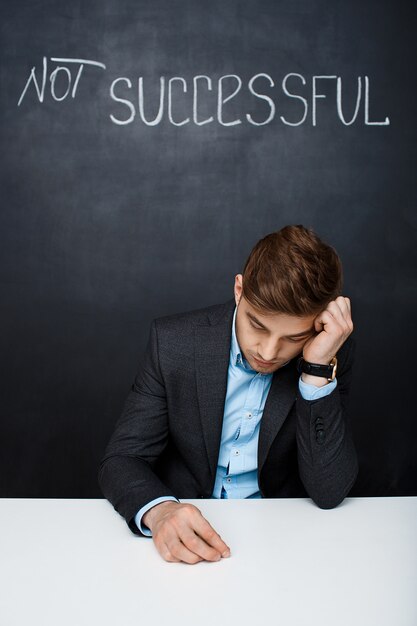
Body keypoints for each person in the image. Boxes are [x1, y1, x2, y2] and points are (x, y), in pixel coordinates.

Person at [99, 224, 358, 564]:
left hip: (283, 543)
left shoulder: (329, 352)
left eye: (293, 338)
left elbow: (330, 491)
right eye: (258, 326)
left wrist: (317, 371)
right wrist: (161, 512)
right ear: (239, 289)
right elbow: (122, 459)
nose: (268, 351)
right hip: (185, 533)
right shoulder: (174, 343)